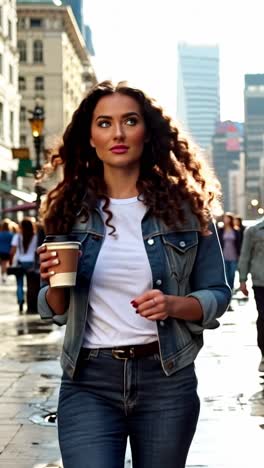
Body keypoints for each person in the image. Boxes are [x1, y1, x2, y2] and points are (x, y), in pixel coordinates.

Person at [37, 80, 231, 468]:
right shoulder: (69, 211)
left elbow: (217, 293)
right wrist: (55, 284)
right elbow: (55, 307)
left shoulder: (187, 210)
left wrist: (175, 304)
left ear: (148, 132)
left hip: (166, 378)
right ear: (90, 137)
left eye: (130, 120)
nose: (119, 133)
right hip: (88, 380)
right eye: (105, 123)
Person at [238, 217, 264, 372]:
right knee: (263, 317)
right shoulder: (253, 230)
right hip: (261, 282)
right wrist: (242, 280)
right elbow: (245, 255)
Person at [10, 218, 38, 313]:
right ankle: (31, 305)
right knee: (31, 286)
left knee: (19, 284)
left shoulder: (17, 237)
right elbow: (36, 251)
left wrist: (11, 261)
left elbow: (13, 251)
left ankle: (21, 301)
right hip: (31, 263)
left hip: (20, 263)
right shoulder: (35, 236)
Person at [217, 212, 242, 292]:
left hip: (233, 256)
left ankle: (231, 289)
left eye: (227, 218)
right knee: (225, 275)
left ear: (231, 220)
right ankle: (226, 290)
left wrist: (239, 255)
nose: (225, 220)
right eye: (224, 218)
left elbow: (239, 243)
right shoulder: (220, 230)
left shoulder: (236, 231)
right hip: (223, 256)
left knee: (232, 274)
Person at [0, 218, 13, 283]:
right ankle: (4, 276)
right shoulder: (11, 234)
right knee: (5, 264)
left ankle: (3, 275)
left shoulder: (0, 234)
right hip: (7, 251)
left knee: (2, 264)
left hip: (0, 251)